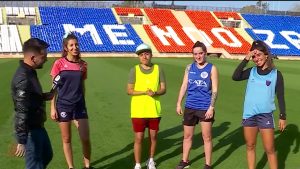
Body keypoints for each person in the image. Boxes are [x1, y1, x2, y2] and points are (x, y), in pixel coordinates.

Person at [232, 40, 286, 169]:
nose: (256, 59)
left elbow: (280, 96)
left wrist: (283, 116)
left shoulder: (276, 74)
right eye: (254, 56)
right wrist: (246, 58)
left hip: (265, 116)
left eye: (259, 55)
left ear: (266, 55)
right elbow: (236, 76)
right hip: (249, 115)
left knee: (270, 149)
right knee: (250, 146)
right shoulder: (251, 71)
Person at [50, 33, 93, 169]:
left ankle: (87, 165)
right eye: (71, 45)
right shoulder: (59, 63)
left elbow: (82, 85)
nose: (75, 47)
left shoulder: (83, 65)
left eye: (76, 44)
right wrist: (52, 107)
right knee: (66, 139)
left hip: (79, 105)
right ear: (66, 48)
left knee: (85, 138)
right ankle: (71, 167)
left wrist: (82, 101)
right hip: (63, 105)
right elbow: (54, 87)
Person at [11, 38, 53, 169]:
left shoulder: (30, 72)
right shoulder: (23, 78)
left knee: (47, 155)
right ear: (33, 58)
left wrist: (44, 96)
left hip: (38, 126)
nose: (46, 59)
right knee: (34, 165)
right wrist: (22, 140)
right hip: (30, 130)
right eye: (44, 56)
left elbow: (30, 98)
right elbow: (21, 110)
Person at [176, 41, 218, 169]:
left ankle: (208, 164)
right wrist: (179, 103)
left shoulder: (212, 68)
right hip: (190, 106)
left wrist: (211, 107)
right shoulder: (189, 67)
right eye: (195, 54)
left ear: (205, 53)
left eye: (200, 53)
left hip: (205, 107)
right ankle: (185, 160)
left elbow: (215, 89)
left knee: (207, 137)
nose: (198, 56)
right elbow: (184, 85)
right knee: (187, 136)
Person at [127, 43, 166, 169]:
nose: (144, 56)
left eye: (147, 53)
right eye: (141, 54)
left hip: (154, 110)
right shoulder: (134, 70)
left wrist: (155, 93)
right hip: (138, 110)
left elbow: (163, 89)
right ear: (139, 57)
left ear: (151, 55)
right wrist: (144, 92)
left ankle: (151, 160)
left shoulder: (159, 69)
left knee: (153, 137)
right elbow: (129, 90)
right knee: (139, 138)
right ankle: (138, 164)